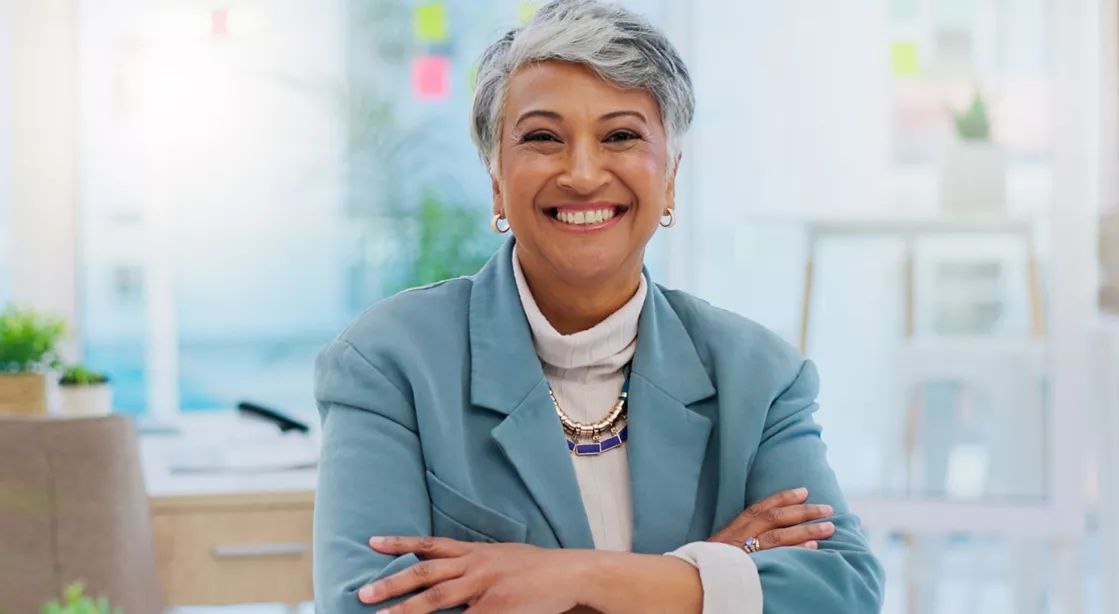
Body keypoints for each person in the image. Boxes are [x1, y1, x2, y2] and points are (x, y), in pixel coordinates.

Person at [312, 1, 885, 612]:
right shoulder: (389, 363)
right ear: (497, 179)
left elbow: (842, 592)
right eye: (542, 138)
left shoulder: (760, 375)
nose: (583, 174)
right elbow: (366, 606)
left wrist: (571, 580)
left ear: (669, 178)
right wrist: (705, 578)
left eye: (620, 136)